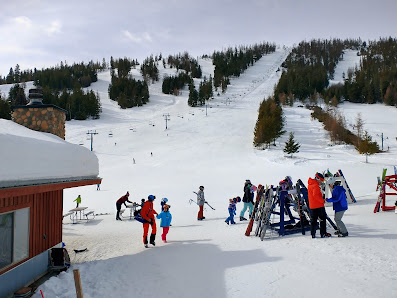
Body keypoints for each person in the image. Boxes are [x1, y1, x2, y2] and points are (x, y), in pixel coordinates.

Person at [307, 172, 331, 238]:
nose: (321, 182)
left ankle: (313, 234)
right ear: (317, 178)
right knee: (322, 220)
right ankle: (323, 233)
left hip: (312, 206)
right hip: (319, 205)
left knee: (313, 220)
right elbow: (316, 195)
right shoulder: (315, 185)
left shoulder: (310, 184)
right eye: (321, 180)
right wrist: (322, 201)